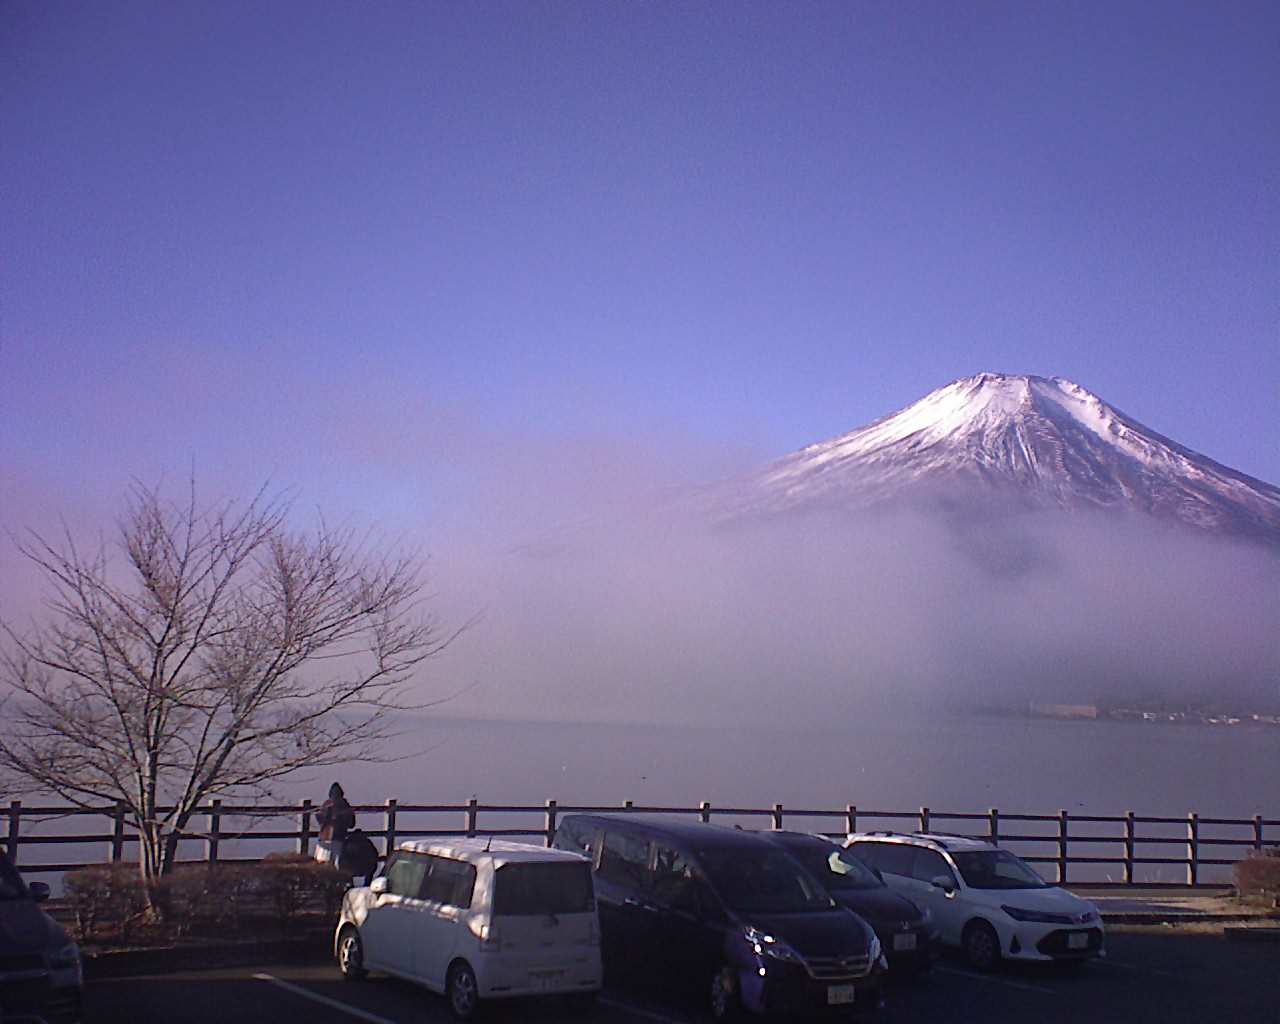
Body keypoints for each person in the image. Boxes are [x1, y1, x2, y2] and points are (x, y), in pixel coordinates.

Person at [315, 782, 356, 865]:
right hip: (336, 838)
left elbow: (319, 818)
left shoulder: (327, 804)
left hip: (327, 838)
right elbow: (351, 824)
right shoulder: (344, 806)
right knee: (335, 864)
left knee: (322, 864)